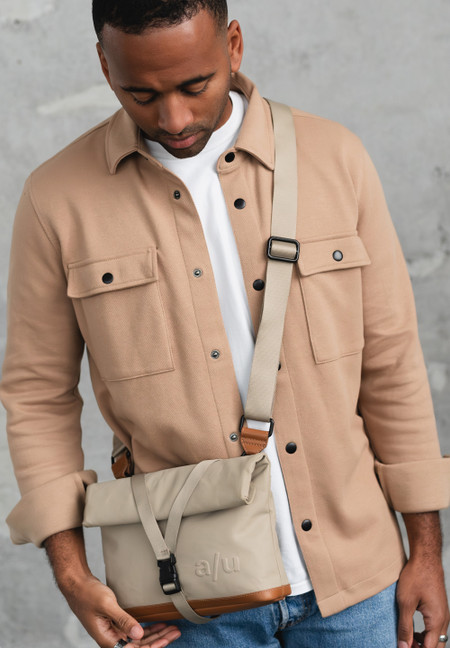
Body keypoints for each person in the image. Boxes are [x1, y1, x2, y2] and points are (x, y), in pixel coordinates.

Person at [1, 1, 449, 647]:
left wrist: (426, 549)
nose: (174, 119)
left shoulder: (334, 157)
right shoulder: (56, 199)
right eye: (141, 93)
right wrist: (71, 572)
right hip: (185, 603)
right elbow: (37, 394)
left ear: (233, 45)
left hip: (360, 585)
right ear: (104, 63)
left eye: (194, 86)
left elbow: (391, 361)